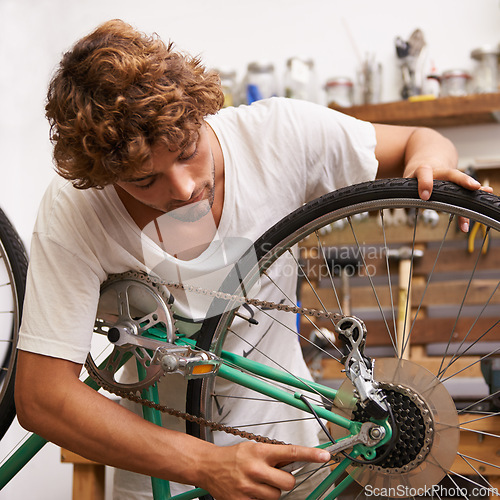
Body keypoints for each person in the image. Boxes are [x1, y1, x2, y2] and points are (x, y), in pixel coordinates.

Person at [14, 19, 486, 500]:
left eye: (187, 151)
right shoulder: (76, 208)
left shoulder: (277, 137)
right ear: (102, 176)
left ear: (199, 113)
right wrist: (205, 464)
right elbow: (41, 397)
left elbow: (419, 142)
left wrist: (429, 167)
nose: (182, 188)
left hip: (300, 466)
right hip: (164, 475)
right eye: (143, 180)